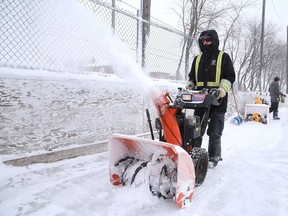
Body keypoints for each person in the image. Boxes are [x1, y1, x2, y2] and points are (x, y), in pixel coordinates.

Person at [185, 29, 235, 166]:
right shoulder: (197, 59)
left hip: (217, 100)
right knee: (196, 130)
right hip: (199, 100)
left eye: (208, 40)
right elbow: (192, 78)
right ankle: (193, 155)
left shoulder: (223, 57)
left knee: (214, 131)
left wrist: (222, 89)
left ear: (214, 41)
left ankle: (214, 157)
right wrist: (190, 84)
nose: (206, 43)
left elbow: (230, 76)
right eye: (203, 40)